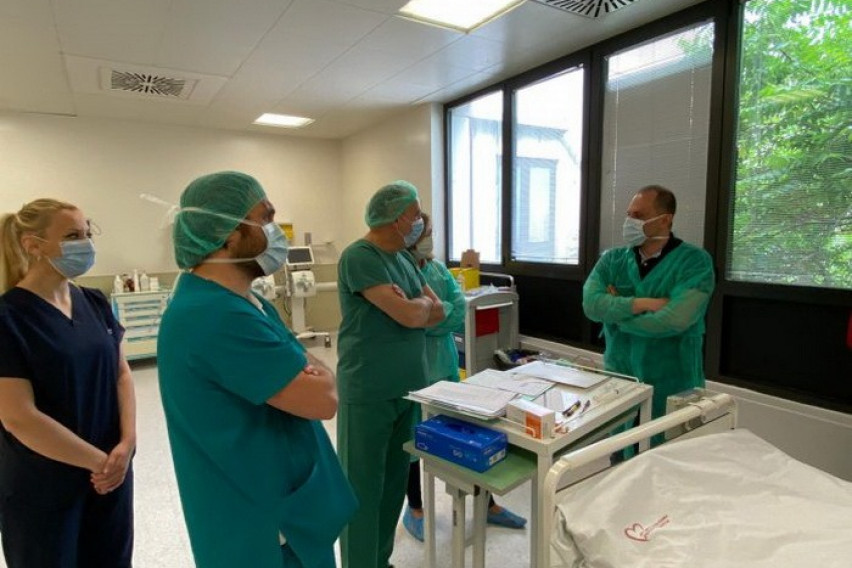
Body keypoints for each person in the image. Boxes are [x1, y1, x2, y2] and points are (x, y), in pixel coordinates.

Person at [157, 171, 357, 568]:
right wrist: (317, 373)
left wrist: (306, 369)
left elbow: (302, 369)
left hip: (285, 499)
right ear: (229, 236)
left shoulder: (248, 302)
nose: (275, 231)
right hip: (265, 526)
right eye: (265, 218)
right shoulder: (213, 314)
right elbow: (323, 400)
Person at [0, 199, 135, 567]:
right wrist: (99, 462)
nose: (86, 244)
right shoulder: (9, 317)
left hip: (111, 475)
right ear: (33, 245)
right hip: (44, 483)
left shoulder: (94, 302)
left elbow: (121, 374)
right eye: (73, 236)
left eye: (88, 233)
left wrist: (127, 443)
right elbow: (18, 416)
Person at [336, 180, 444, 568]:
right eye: (414, 215)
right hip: (369, 389)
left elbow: (438, 310)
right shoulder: (360, 257)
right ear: (395, 217)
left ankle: (379, 561)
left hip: (407, 389)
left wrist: (416, 305)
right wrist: (416, 307)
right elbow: (412, 315)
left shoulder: (403, 259)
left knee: (393, 486)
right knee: (361, 488)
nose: (420, 223)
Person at [401, 213, 526, 542]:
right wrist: (431, 315)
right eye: (423, 232)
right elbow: (407, 318)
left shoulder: (439, 270)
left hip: (442, 361)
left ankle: (488, 505)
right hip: (413, 364)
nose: (428, 238)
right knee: (414, 434)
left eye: (429, 231)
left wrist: (428, 317)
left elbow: (456, 312)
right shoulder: (398, 270)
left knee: (464, 431)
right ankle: (415, 507)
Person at [583, 185, 715, 424]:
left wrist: (617, 316)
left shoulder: (694, 262)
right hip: (621, 376)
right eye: (629, 215)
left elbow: (675, 319)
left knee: (667, 441)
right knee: (621, 440)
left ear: (665, 219)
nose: (630, 222)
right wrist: (642, 303)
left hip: (672, 380)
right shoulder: (612, 260)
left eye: (639, 215)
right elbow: (591, 305)